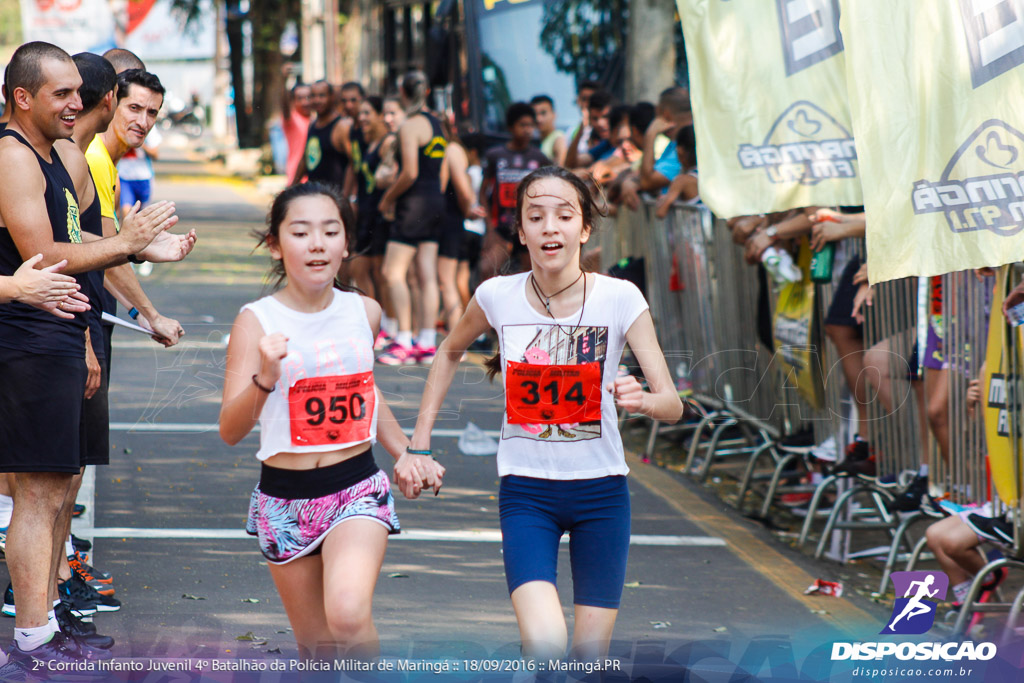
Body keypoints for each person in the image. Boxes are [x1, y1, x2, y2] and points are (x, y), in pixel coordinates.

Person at [410, 166, 683, 661]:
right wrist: (418, 442)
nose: (549, 227)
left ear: (583, 229)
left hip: (602, 494)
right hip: (527, 493)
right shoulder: (497, 295)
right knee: (546, 646)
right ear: (521, 231)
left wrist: (643, 399)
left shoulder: (621, 298)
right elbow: (448, 350)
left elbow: (674, 403)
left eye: (563, 215)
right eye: (536, 217)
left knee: (588, 657)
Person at [0, 41, 178, 668]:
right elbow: (42, 252)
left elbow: (76, 245)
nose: (80, 102)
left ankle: (42, 626)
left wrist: (137, 249)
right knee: (37, 495)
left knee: (52, 493)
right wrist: (127, 243)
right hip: (23, 341)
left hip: (52, 336)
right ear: (23, 98)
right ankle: (29, 640)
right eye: (63, 93)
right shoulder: (13, 156)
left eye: (79, 91)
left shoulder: (50, 154)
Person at [218, 182, 444, 659]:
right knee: (317, 649)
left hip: (355, 489)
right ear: (277, 246)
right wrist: (265, 376)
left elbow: (366, 391)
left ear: (346, 245)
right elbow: (230, 430)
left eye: (330, 231)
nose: (317, 243)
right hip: (284, 499)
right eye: (301, 232)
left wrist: (409, 452)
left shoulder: (364, 311)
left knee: (347, 614)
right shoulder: (255, 322)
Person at [376, 72, 446, 366]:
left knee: (393, 273)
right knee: (426, 274)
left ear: (403, 95)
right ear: (427, 91)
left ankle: (404, 339)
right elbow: (437, 172)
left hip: (413, 203)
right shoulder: (437, 125)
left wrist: (387, 198)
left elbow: (409, 173)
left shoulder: (409, 127)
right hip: (435, 202)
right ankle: (427, 342)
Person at [479, 102, 551, 282]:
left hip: (529, 228)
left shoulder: (539, 158)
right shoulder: (495, 156)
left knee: (531, 277)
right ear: (511, 127)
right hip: (501, 229)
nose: (527, 130)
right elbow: (483, 192)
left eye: (530, 126)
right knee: (487, 270)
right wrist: (489, 228)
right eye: (522, 125)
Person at [289, 81, 351, 191]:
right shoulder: (312, 125)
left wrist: (348, 197)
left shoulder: (341, 126)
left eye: (322, 96)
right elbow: (305, 159)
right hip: (314, 197)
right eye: (313, 96)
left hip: (335, 199)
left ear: (331, 97)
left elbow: (353, 164)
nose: (317, 100)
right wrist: (291, 188)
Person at [280, 66, 312, 183]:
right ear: (293, 101)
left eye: (308, 97)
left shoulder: (316, 120)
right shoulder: (292, 120)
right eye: (300, 98)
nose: (305, 102)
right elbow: (284, 105)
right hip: (296, 178)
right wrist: (284, 81)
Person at [531, 95, 567, 166]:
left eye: (543, 113)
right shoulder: (533, 140)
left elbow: (562, 169)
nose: (538, 119)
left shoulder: (558, 138)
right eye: (535, 114)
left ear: (554, 114)